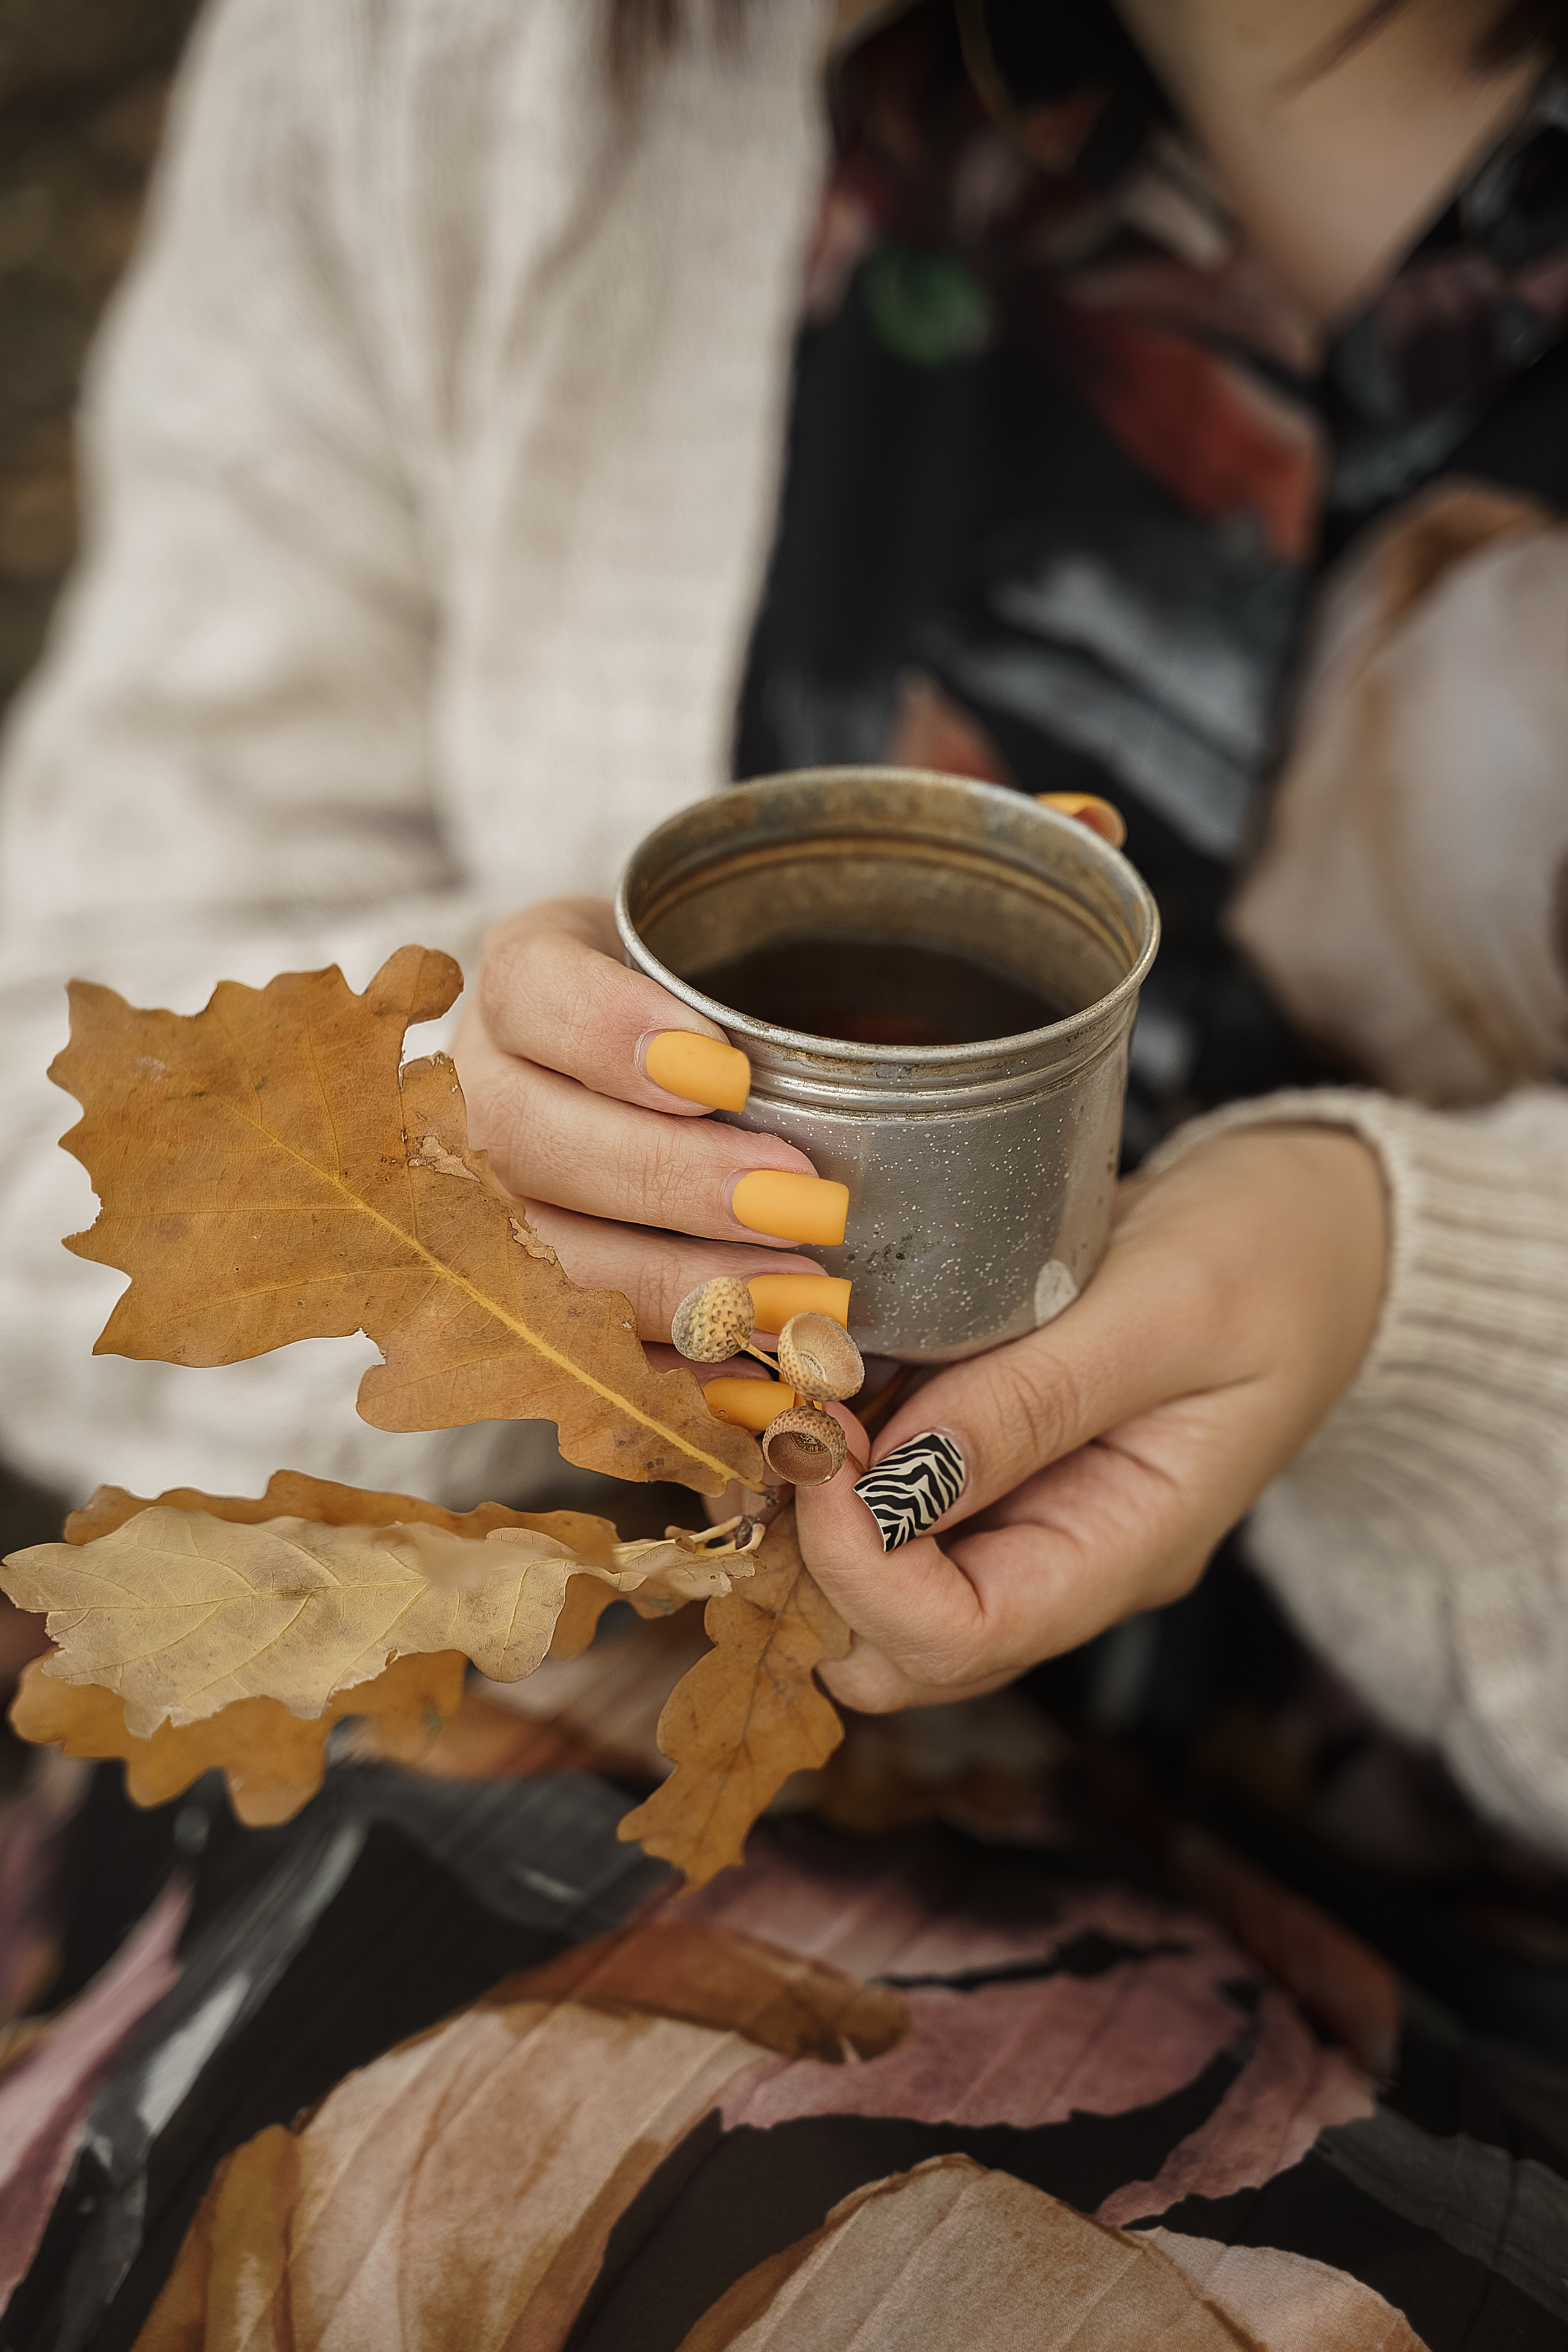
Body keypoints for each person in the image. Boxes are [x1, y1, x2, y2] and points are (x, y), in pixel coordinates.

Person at [0, 0, 1565, 1866]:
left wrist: (1411, 1305)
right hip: (596, 1722)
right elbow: (51, 1058)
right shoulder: (441, 54)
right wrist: (455, 1183)